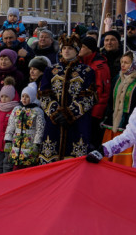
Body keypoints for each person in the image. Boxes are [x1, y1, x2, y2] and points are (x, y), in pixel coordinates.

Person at [39, 36, 96, 164]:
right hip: (54, 121)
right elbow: (43, 94)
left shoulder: (87, 71)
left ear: (77, 50)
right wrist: (55, 112)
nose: (66, 51)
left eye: (70, 48)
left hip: (77, 122)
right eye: (64, 48)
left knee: (74, 159)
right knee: (51, 156)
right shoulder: (51, 70)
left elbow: (89, 96)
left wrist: (69, 114)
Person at [4, 86, 47, 170]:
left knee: (29, 167)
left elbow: (40, 129)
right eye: (23, 96)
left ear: (32, 97)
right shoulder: (16, 109)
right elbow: (11, 125)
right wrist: (8, 140)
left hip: (30, 144)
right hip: (17, 144)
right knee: (16, 167)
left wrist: (37, 143)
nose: (24, 99)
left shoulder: (37, 111)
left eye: (27, 97)